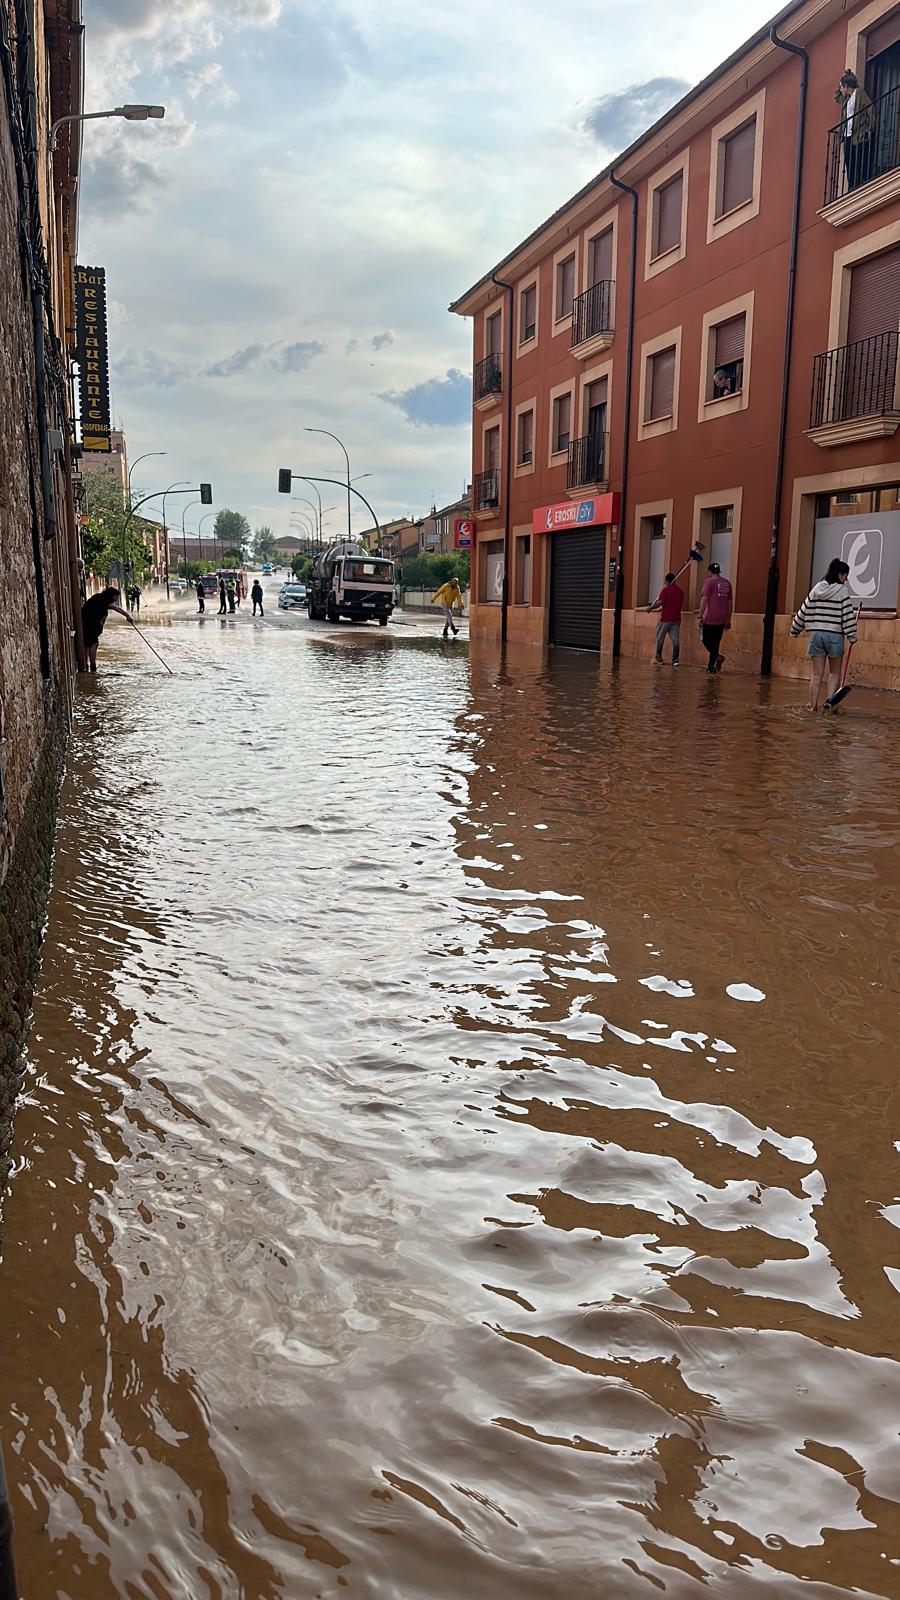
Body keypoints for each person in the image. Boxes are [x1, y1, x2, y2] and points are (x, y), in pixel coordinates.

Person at [790, 557, 858, 711]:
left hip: (816, 636)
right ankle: (830, 705)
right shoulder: (842, 592)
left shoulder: (816, 589)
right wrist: (852, 635)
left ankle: (812, 706)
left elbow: (804, 610)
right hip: (834, 636)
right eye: (846, 575)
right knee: (834, 673)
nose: (846, 579)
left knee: (816, 674)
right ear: (840, 575)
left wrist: (795, 629)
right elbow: (847, 615)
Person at [835, 70, 875, 193]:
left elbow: (870, 108)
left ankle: (859, 184)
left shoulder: (859, 93)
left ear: (846, 86)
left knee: (858, 160)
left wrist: (870, 127)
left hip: (857, 133)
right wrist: (843, 78)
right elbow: (836, 97)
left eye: (842, 86)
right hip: (847, 135)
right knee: (849, 161)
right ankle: (852, 186)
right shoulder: (846, 99)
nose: (841, 89)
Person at [80, 586, 131, 672]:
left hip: (86, 624)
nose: (116, 599)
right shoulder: (103, 600)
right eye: (116, 596)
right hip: (90, 625)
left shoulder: (98, 597)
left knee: (87, 645)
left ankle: (86, 666)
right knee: (93, 644)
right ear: (112, 595)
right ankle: (92, 667)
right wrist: (127, 615)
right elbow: (116, 608)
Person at [697, 561, 733, 673]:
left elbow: (705, 599)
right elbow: (730, 602)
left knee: (704, 638)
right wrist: (728, 618)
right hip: (722, 618)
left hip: (710, 617)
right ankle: (711, 667)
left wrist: (699, 615)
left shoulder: (709, 582)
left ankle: (717, 657)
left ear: (710, 571)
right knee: (715, 643)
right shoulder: (727, 583)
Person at [647, 571, 684, 665]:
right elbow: (674, 604)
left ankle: (658, 658)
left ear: (667, 581)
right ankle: (675, 660)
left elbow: (660, 602)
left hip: (665, 620)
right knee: (676, 641)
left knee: (660, 639)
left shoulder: (665, 590)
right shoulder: (680, 592)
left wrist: (650, 608)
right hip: (676, 619)